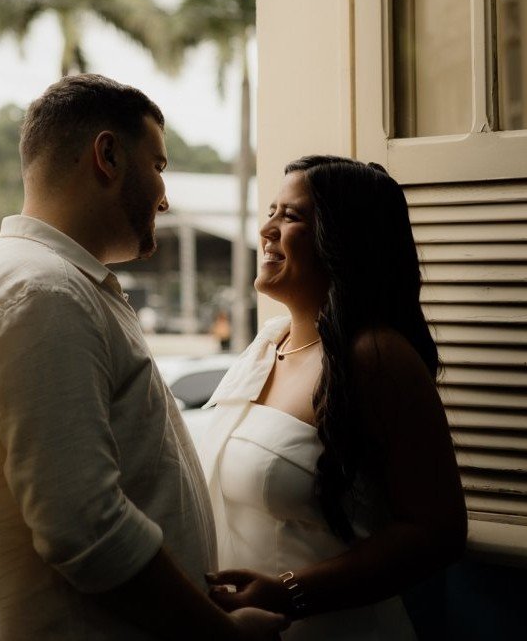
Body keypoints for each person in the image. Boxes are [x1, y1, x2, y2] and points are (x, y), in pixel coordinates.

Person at [0, 73, 284, 641]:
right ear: (108, 156)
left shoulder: (57, 283)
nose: (164, 197)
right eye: (158, 166)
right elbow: (85, 529)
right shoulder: (42, 292)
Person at [192, 155, 467, 639]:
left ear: (343, 239)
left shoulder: (376, 356)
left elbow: (437, 531)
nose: (266, 230)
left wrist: (290, 593)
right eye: (271, 212)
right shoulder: (266, 345)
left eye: (291, 216)